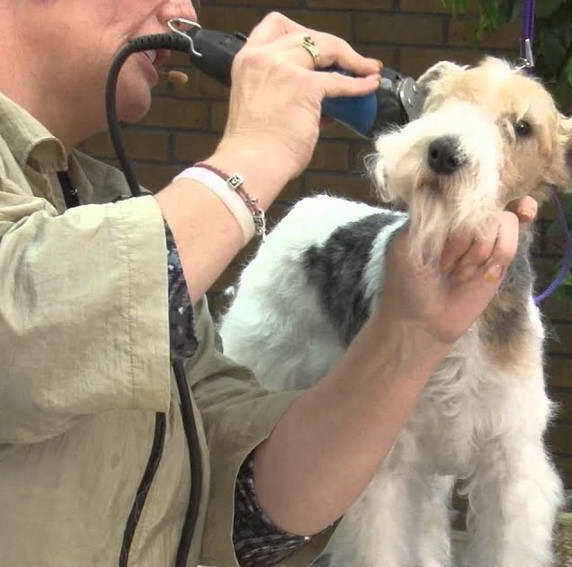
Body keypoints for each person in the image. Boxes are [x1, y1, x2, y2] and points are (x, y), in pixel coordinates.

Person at [0, 1, 538, 565]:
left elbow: (240, 500)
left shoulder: (111, 200)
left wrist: (411, 332)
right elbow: (21, 343)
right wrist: (253, 156)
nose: (182, 9)